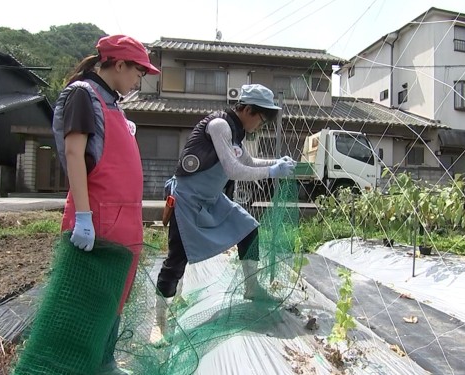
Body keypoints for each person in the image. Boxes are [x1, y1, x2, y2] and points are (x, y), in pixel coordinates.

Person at [52, 35, 160, 375]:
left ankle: (104, 361)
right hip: (98, 215)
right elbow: (74, 153)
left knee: (115, 295)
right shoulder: (84, 94)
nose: (137, 80)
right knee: (90, 297)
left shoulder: (110, 102)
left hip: (123, 218)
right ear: (118, 64)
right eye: (137, 72)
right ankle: (79, 363)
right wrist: (83, 216)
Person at [155, 84, 295, 317]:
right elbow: (234, 170)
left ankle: (251, 288)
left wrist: (275, 162)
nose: (260, 125)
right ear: (248, 109)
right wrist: (272, 172)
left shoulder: (236, 134)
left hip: (211, 199)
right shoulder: (220, 126)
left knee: (248, 228)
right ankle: (159, 319)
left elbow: (248, 162)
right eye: (261, 119)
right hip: (187, 199)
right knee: (177, 259)